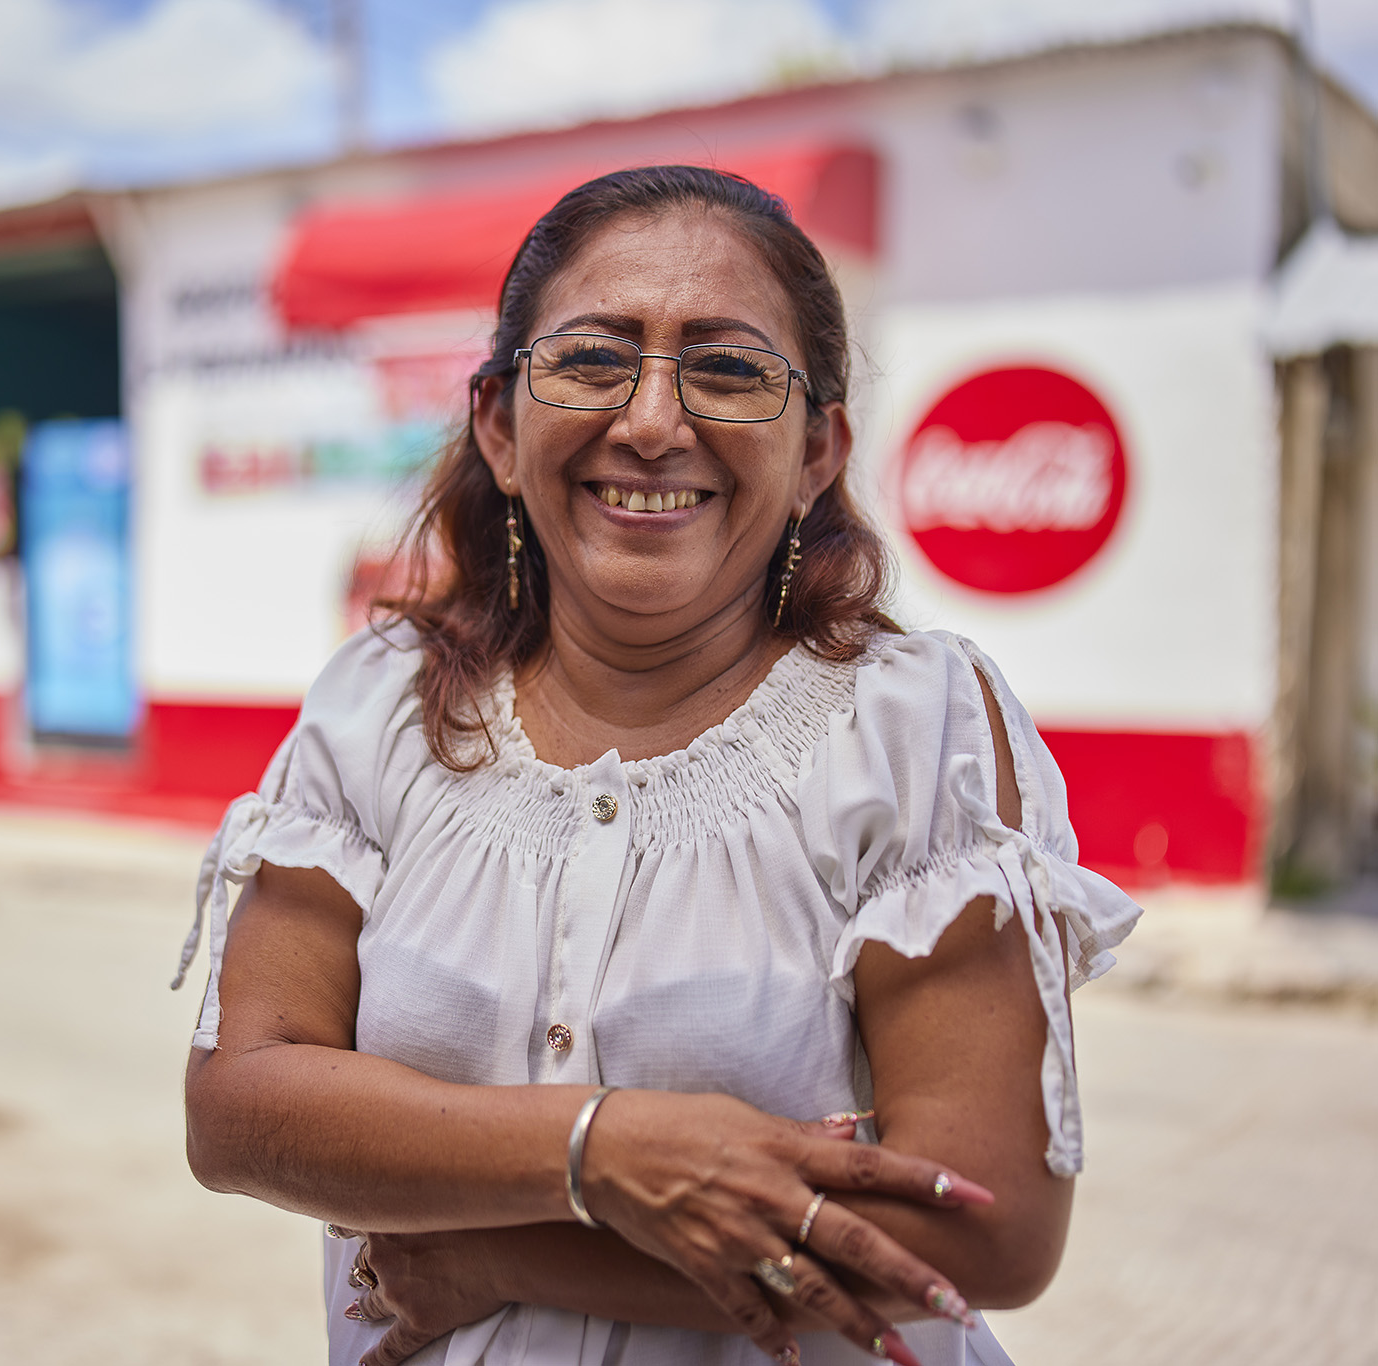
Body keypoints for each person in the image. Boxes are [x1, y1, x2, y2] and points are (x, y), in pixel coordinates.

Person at [175, 165, 1140, 1366]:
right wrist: (607, 1146)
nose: (649, 422)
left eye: (729, 371)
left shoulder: (911, 727)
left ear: (817, 453)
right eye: (591, 359)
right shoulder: (376, 707)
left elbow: (975, 1226)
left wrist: (497, 1252)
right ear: (499, 429)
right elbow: (240, 1104)